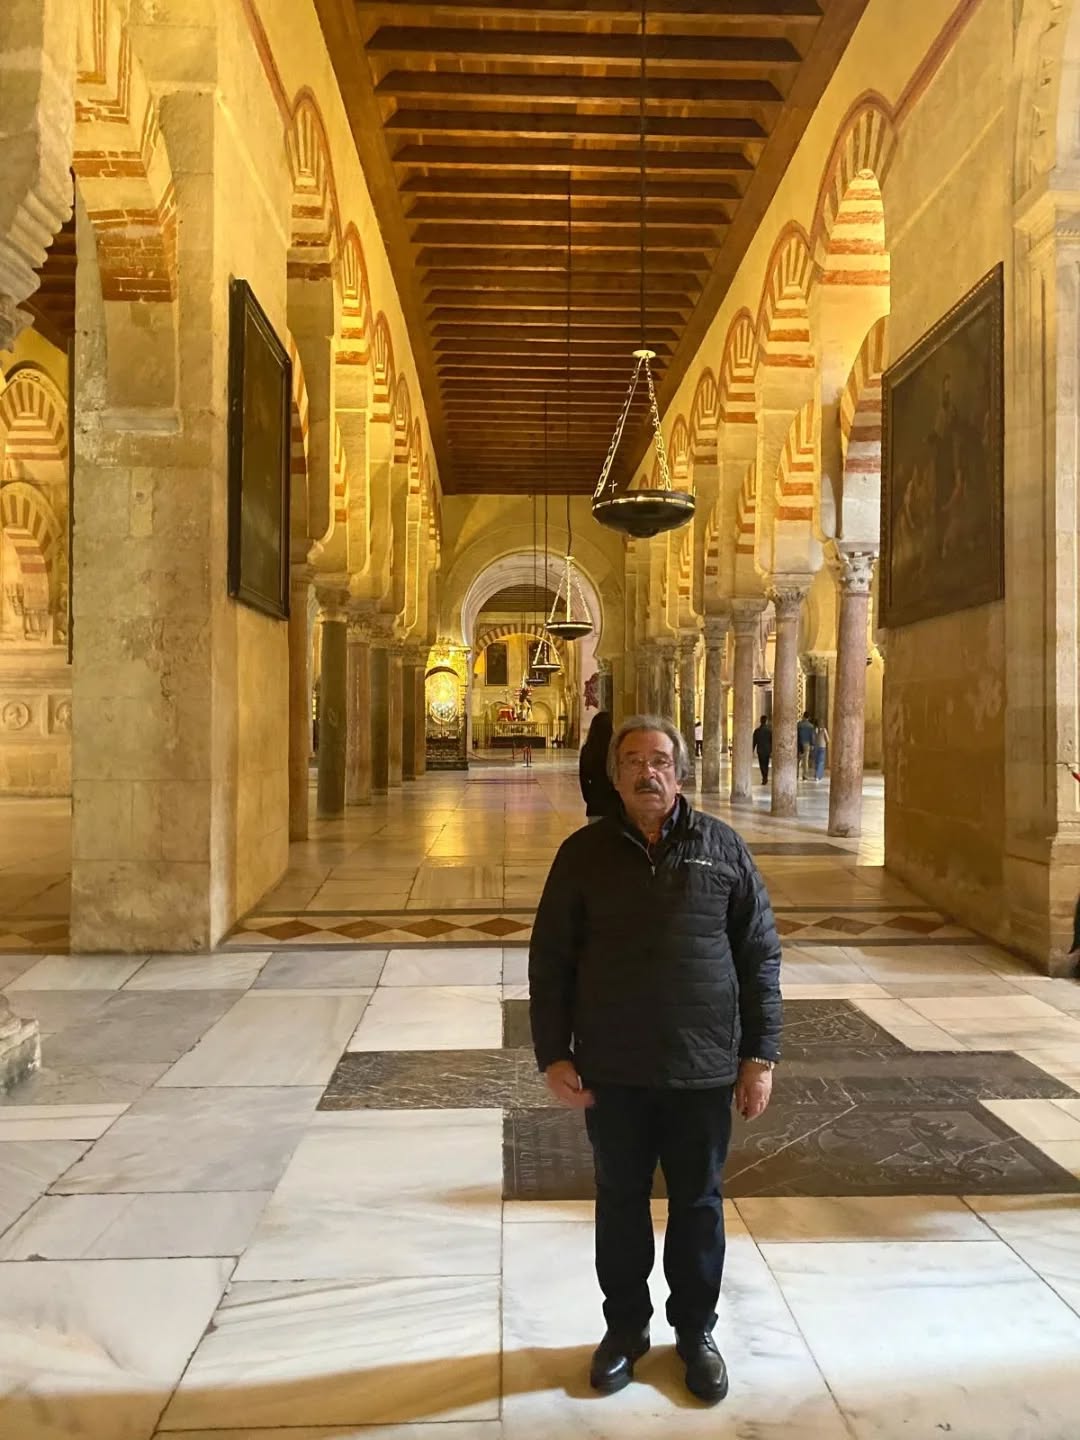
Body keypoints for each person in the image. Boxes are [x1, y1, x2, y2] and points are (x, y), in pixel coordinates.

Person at [529, 715, 783, 1405]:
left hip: (703, 1066)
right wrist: (554, 1053)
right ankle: (625, 1330)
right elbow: (550, 960)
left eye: (661, 760)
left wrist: (759, 1056)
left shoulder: (722, 847)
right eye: (634, 761)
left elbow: (759, 956)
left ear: (680, 772)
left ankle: (695, 1332)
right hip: (614, 1067)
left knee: (698, 1205)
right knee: (620, 1202)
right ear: (614, 776)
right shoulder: (583, 854)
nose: (648, 772)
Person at [579, 710, 619, 823]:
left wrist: (589, 798)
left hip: (595, 803)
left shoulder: (587, 749)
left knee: (595, 832)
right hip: (614, 803)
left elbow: (583, 778)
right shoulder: (616, 750)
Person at [751, 715, 772, 784]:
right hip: (767, 750)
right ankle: (765, 777)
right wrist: (772, 750)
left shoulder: (757, 731)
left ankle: (764, 777)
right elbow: (772, 741)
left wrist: (752, 750)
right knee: (766, 764)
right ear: (766, 721)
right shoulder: (769, 731)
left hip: (760, 750)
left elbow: (754, 741)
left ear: (760, 721)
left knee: (762, 765)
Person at [796, 711, 815, 780]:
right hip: (807, 744)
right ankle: (805, 775)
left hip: (799, 743)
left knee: (797, 760)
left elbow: (796, 734)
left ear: (803, 716)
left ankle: (796, 774)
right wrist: (812, 744)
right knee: (805, 760)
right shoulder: (811, 726)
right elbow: (812, 736)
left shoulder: (799, 724)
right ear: (808, 717)